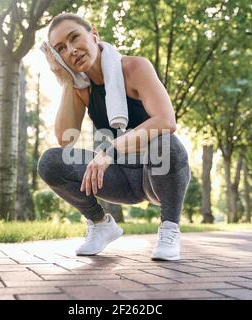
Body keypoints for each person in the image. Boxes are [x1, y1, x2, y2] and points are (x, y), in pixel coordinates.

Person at [38, 13, 190, 261]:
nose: (72, 50)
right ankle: (100, 224)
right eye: (61, 49)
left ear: (94, 33)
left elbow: (166, 120)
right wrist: (66, 83)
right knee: (51, 161)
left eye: (75, 37)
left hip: (155, 174)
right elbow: (66, 140)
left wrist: (109, 150)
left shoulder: (134, 68)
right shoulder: (82, 89)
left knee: (166, 142)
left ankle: (170, 228)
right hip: (119, 179)